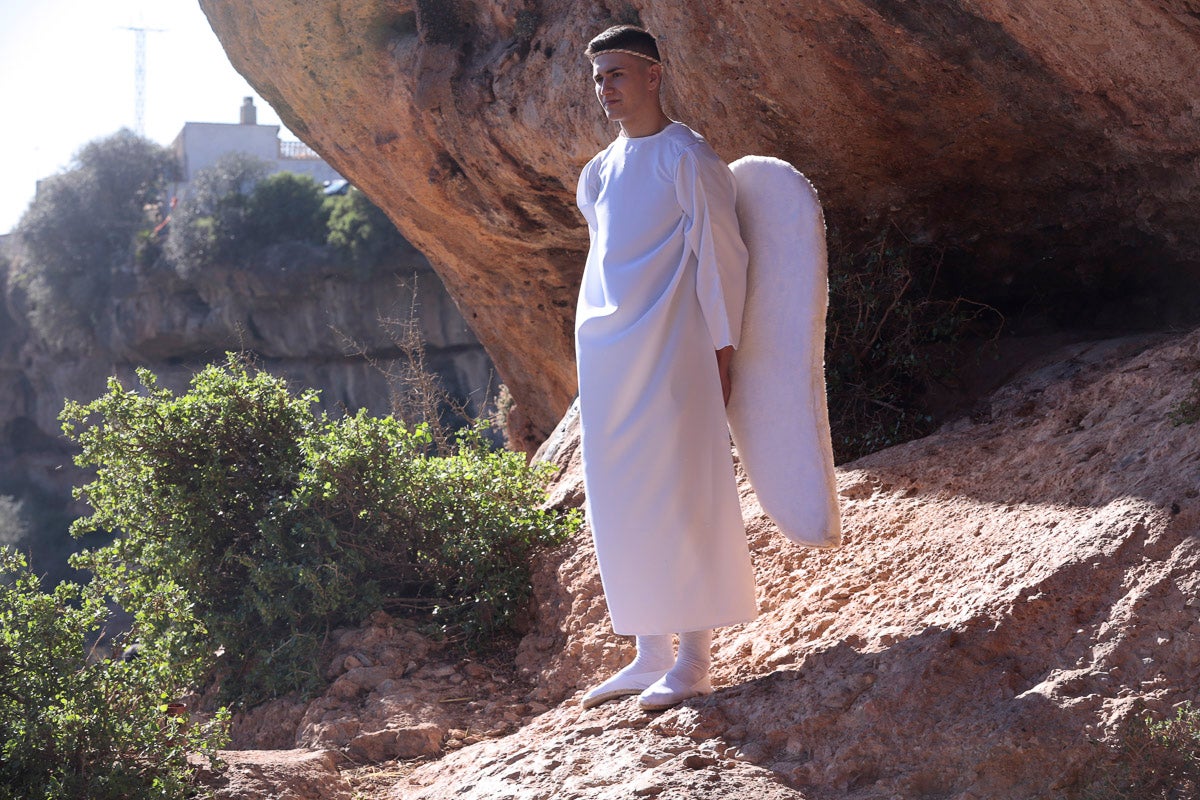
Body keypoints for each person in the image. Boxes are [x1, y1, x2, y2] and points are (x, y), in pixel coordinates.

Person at [574, 25, 757, 711]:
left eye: (617, 73)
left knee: (682, 490)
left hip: (675, 352)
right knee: (622, 496)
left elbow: (721, 257)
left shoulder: (687, 156)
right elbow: (604, 265)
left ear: (653, 75)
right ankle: (650, 652)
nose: (606, 88)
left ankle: (695, 660)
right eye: (598, 78)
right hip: (610, 359)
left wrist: (725, 350)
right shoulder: (599, 171)